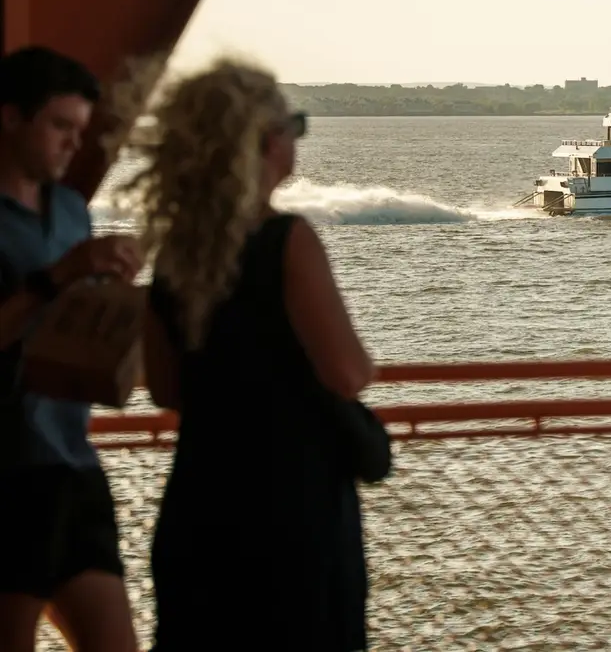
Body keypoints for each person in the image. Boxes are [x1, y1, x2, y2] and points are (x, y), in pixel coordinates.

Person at [125, 59, 376, 652]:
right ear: (268, 144)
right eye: (295, 126)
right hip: (291, 508)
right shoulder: (287, 242)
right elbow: (347, 373)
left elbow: (165, 391)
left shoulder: (174, 253)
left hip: (201, 506)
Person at [0, 47, 143, 652]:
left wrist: (109, 297)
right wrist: (57, 279)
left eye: (79, 132)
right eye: (60, 126)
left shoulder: (70, 211)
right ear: (10, 117)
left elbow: (68, 322)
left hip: (73, 465)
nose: (71, 145)